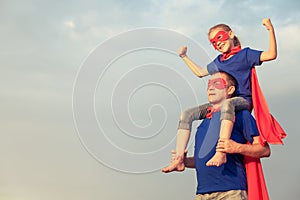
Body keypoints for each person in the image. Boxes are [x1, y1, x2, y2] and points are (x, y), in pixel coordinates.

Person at [162, 18, 279, 172]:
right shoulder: (219, 61)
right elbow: (199, 72)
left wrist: (270, 30)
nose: (217, 43)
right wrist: (184, 57)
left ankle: (221, 152)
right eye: (213, 42)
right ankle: (178, 160)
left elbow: (271, 54)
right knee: (187, 114)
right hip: (222, 104)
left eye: (219, 37)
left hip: (241, 101)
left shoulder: (245, 55)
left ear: (230, 34)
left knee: (227, 104)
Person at [168, 72, 271, 200]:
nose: (210, 88)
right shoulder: (204, 122)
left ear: (230, 90)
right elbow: (206, 160)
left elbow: (265, 150)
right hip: (202, 193)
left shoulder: (242, 115)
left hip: (231, 192)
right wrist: (185, 161)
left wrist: (236, 147)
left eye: (217, 84)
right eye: (209, 85)